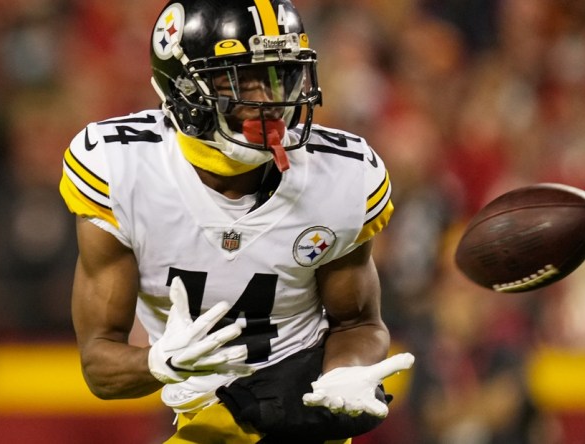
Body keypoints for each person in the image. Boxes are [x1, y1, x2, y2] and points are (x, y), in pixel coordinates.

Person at [58, 1, 414, 442]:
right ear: (185, 88)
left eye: (279, 76)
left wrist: (345, 373)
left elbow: (357, 323)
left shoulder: (341, 176)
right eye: (243, 80)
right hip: (205, 420)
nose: (269, 102)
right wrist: (157, 363)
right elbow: (98, 365)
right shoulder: (120, 169)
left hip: (300, 410)